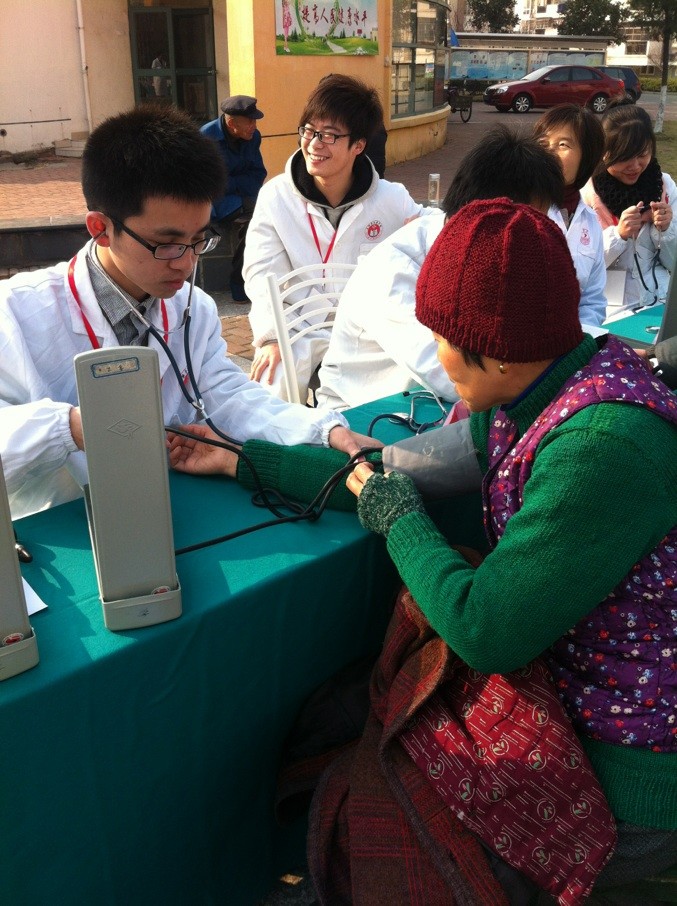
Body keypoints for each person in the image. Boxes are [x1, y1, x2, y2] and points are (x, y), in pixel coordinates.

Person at [340, 198, 677, 902]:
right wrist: (243, 462)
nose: (435, 352)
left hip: (628, 777)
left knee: (393, 833)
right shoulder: (543, 392)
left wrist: (399, 521)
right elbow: (394, 467)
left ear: (492, 348)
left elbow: (485, 632)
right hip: (575, 711)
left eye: (441, 334)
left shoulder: (601, 445)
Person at [0, 105, 371, 520]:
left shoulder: (192, 308)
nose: (186, 263)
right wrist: (68, 428)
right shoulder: (15, 315)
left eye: (198, 240)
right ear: (100, 228)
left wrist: (320, 429)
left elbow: (226, 394)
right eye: (167, 244)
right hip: (58, 532)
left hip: (175, 509)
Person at [316, 125, 565, 410]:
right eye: (525, 225)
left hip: (442, 404)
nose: (534, 237)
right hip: (363, 413)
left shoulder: (488, 258)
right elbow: (448, 374)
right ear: (482, 214)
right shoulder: (392, 270)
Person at [242, 74, 424, 402]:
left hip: (368, 329)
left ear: (358, 145)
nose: (314, 144)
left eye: (329, 135)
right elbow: (261, 274)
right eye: (309, 131)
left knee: (401, 389)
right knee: (271, 381)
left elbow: (432, 235)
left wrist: (424, 234)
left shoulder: (392, 200)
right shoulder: (275, 197)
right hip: (297, 327)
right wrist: (271, 336)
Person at [581, 103, 677, 315]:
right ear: (604, 152)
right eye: (624, 157)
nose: (634, 166)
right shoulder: (586, 195)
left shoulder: (665, 187)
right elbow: (579, 270)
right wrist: (618, 235)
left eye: (642, 154)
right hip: (610, 311)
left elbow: (673, 262)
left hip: (661, 302)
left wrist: (666, 230)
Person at [533, 103, 607, 327]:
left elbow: (592, 301)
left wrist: (580, 339)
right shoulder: (520, 210)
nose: (549, 151)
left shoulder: (590, 221)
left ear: (587, 157)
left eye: (563, 144)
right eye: (543, 143)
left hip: (572, 339)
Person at [200, 95, 267, 302]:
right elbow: (209, 183)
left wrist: (232, 183)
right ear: (231, 124)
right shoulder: (206, 138)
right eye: (250, 121)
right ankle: (239, 285)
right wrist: (238, 184)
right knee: (258, 220)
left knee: (264, 219)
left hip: (242, 198)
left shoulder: (253, 137)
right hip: (213, 204)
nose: (254, 126)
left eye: (255, 121)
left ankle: (247, 283)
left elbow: (258, 174)